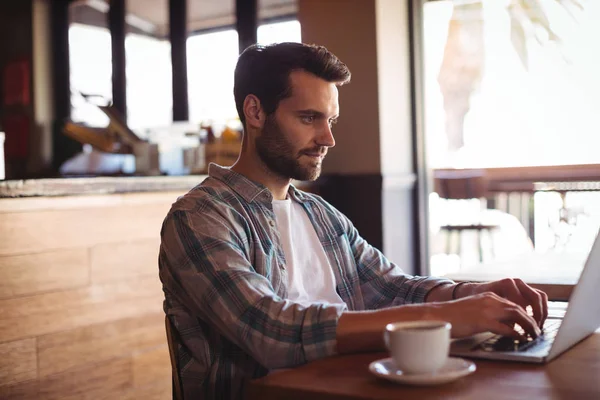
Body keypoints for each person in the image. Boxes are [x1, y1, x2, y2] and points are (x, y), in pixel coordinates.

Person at [159, 42, 548, 400]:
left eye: (331, 121)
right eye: (309, 118)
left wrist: (470, 295)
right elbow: (269, 330)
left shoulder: (320, 215)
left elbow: (393, 288)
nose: (327, 138)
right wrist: (445, 316)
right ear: (255, 111)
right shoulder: (199, 217)